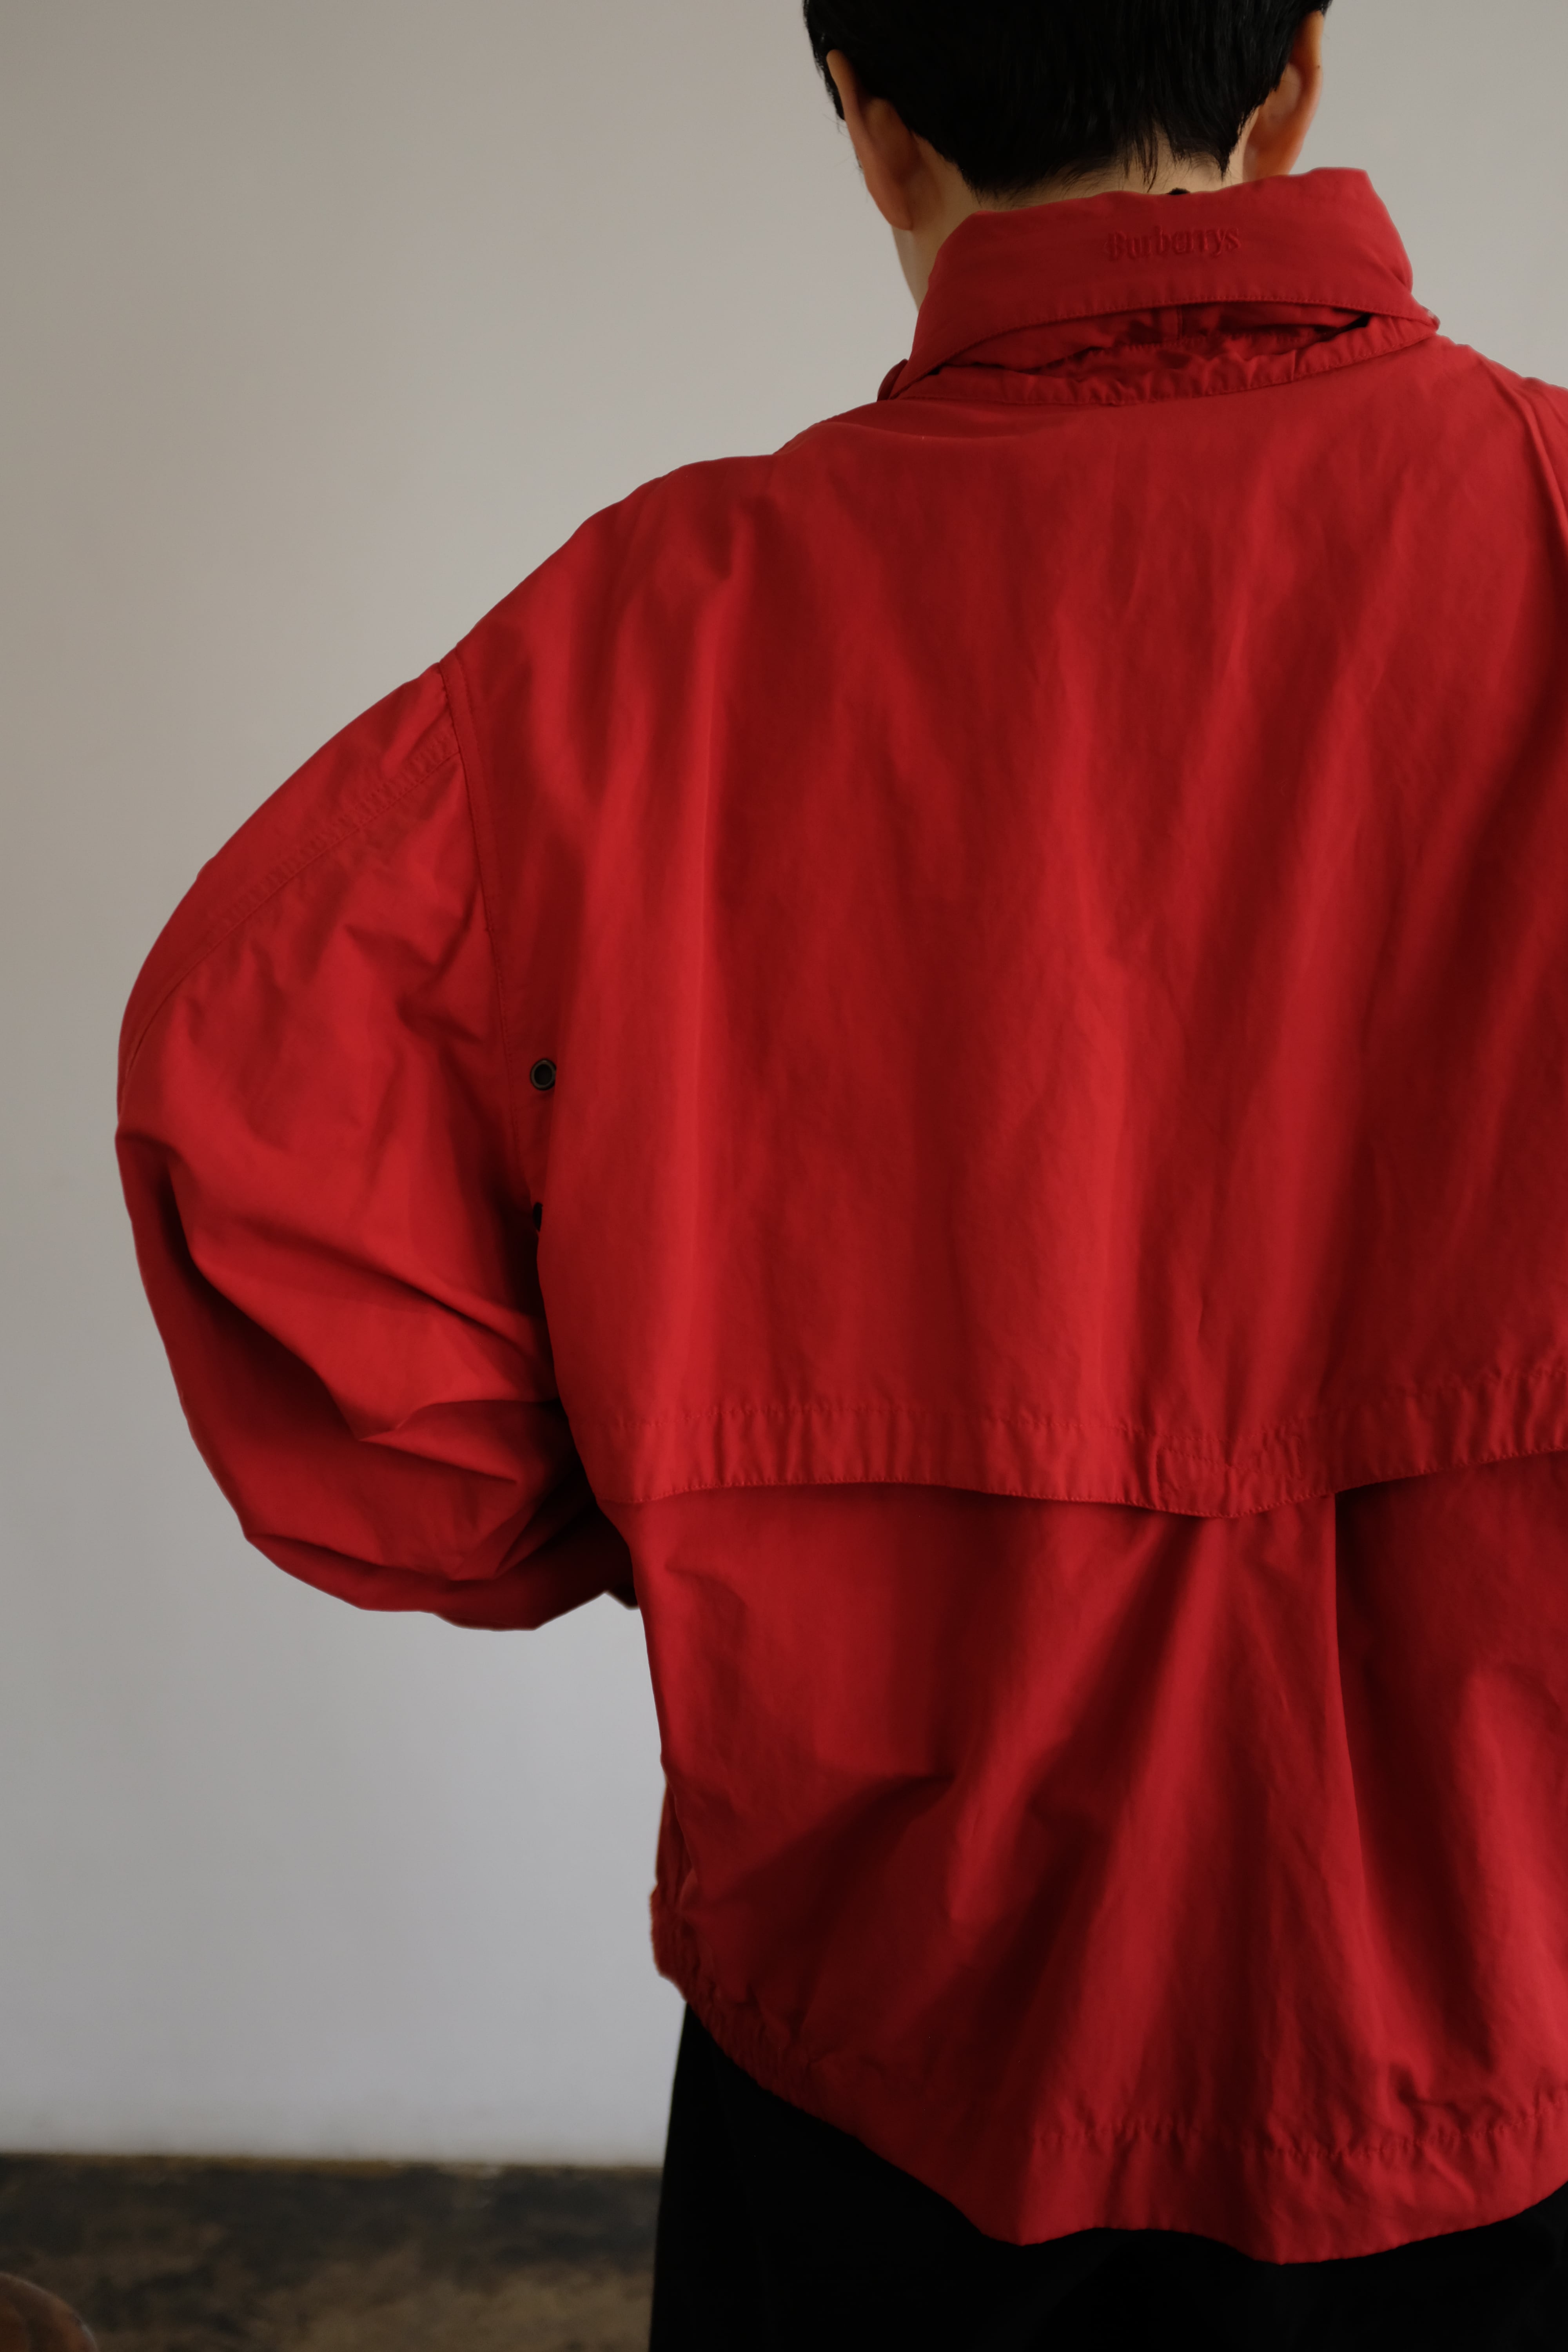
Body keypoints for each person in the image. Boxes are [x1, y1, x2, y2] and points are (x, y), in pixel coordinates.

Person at [116, 2, 1568, 2341]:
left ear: (874, 137)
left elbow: (250, 1097)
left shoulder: (639, 642)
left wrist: (631, 1496)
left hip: (881, 2087)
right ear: (1296, 76)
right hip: (1525, 2074)